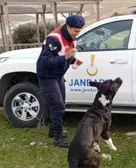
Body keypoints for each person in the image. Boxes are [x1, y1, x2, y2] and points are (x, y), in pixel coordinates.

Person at [36, 14, 85, 148]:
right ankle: (57, 138)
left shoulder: (70, 38)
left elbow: (66, 54)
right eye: (75, 31)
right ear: (68, 27)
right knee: (58, 107)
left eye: (79, 31)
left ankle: (53, 131)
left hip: (57, 75)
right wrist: (66, 57)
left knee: (60, 104)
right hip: (47, 76)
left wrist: (74, 60)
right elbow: (44, 62)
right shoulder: (54, 39)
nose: (77, 34)